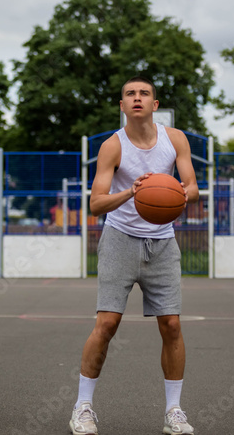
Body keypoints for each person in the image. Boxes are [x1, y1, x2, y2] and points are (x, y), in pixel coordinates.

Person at [69, 76, 199, 435]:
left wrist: (177, 191)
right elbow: (96, 204)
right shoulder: (113, 146)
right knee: (107, 324)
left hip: (162, 242)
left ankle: (174, 412)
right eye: (130, 94)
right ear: (122, 106)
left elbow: (192, 188)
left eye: (144, 93)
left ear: (155, 105)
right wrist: (132, 192)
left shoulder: (175, 140)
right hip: (120, 239)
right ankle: (82, 407)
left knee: (171, 325)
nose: (137, 98)